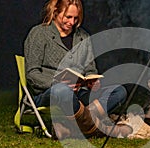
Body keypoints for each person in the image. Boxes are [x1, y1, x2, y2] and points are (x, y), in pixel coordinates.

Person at [24, 0, 132, 139]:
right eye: (68, 17)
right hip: (50, 92)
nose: (72, 22)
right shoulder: (39, 33)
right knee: (63, 90)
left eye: (76, 18)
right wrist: (57, 82)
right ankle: (95, 128)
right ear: (55, 12)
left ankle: (72, 126)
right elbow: (32, 74)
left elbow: (90, 69)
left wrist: (93, 80)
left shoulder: (83, 36)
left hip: (79, 92)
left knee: (119, 91)